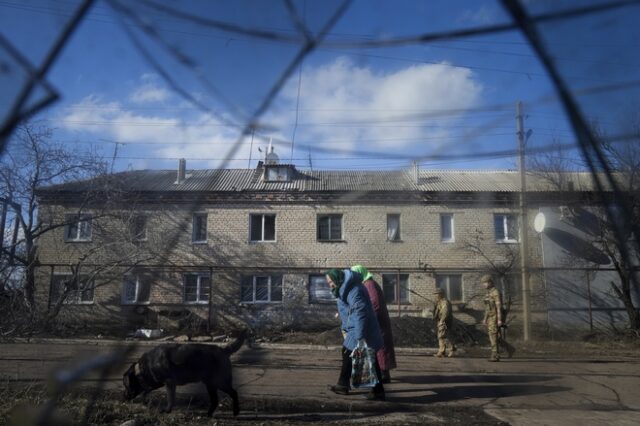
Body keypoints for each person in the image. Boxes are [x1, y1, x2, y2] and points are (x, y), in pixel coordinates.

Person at [326, 268, 386, 401]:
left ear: (337, 279)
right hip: (357, 327)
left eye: (331, 281)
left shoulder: (354, 290)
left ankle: (344, 385)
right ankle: (375, 390)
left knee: (351, 353)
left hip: (362, 328)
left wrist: (360, 335)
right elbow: (348, 309)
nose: (330, 284)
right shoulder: (345, 287)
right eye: (328, 282)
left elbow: (360, 312)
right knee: (367, 357)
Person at [351, 265, 396, 383]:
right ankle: (383, 373)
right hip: (377, 321)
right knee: (379, 348)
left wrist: (368, 318)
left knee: (380, 348)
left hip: (378, 322)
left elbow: (374, 303)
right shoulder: (367, 284)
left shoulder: (369, 284)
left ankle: (384, 375)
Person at [481, 274, 514, 362]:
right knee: (495, 335)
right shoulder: (488, 293)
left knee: (493, 335)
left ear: (490, 282)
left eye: (485, 283)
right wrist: (485, 318)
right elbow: (488, 308)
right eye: (483, 283)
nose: (483, 285)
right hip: (490, 317)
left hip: (495, 316)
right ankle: (509, 349)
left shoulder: (495, 292)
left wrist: (499, 319)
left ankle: (495, 355)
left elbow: (498, 307)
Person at [432, 287, 456, 357]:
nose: (435, 295)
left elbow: (445, 312)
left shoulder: (445, 302)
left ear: (441, 294)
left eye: (436, 294)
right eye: (435, 294)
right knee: (440, 337)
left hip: (445, 321)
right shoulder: (439, 302)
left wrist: (442, 321)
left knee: (444, 336)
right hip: (440, 321)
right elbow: (437, 312)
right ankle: (441, 352)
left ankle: (452, 349)